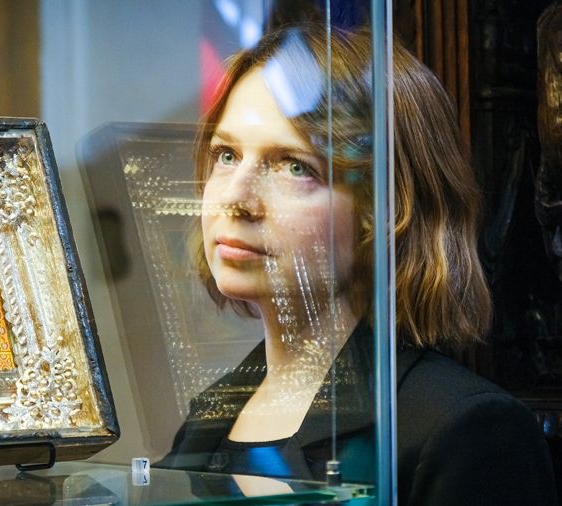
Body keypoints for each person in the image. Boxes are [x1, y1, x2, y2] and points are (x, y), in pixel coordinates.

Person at [157, 24, 557, 505]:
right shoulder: (206, 423)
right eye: (227, 155)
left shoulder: (465, 430)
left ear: (387, 210)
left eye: (294, 165)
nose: (236, 198)